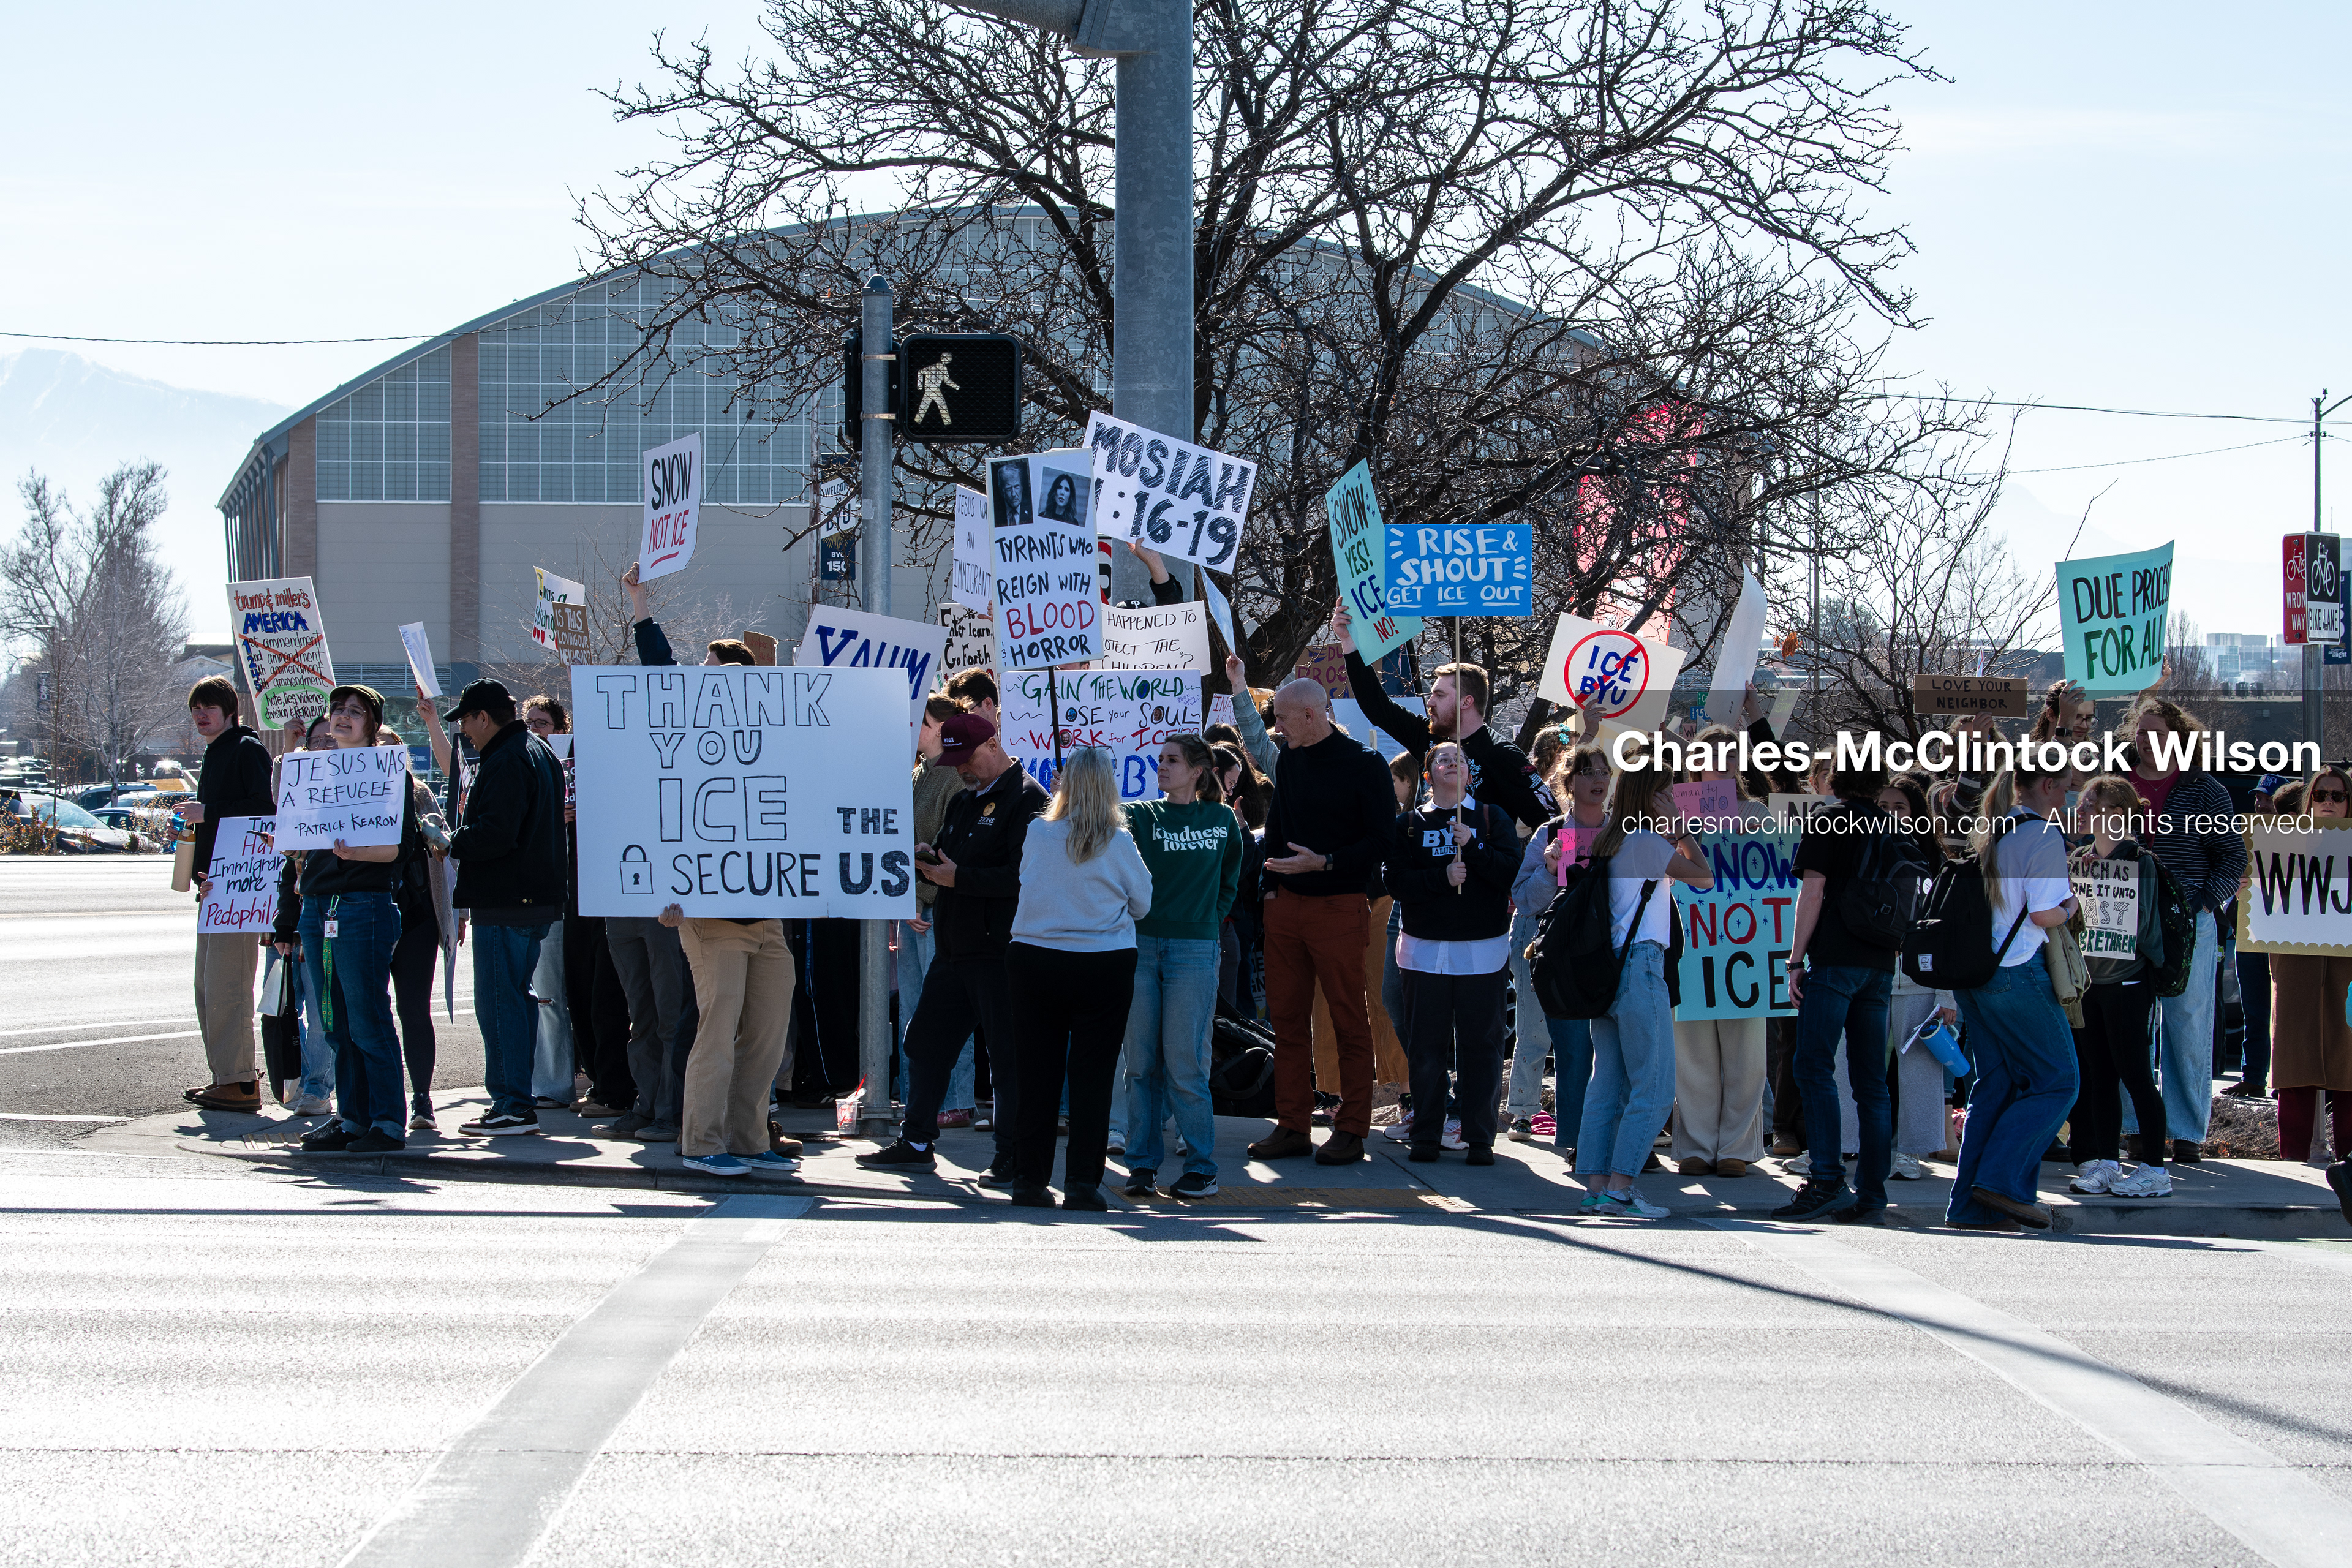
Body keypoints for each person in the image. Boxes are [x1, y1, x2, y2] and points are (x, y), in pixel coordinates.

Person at [859, 713, 1048, 1178]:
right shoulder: (966, 800)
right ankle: (916, 1138)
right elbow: (950, 856)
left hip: (1000, 951)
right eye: (955, 761)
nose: (961, 769)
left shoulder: (1028, 800)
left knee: (1007, 1058)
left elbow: (1024, 878)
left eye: (967, 759)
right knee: (924, 1043)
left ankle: (1013, 1153)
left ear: (993, 744)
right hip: (956, 947)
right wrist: (931, 859)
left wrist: (957, 876)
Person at [1248, 678, 1399, 1166]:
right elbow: (1278, 825)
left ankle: (1352, 1127)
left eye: (1283, 719)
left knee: (1347, 1018)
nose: (1278, 728)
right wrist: (1271, 887)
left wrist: (1327, 862)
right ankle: (1292, 1123)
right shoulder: (1291, 758)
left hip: (1340, 904)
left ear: (1311, 715)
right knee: (1287, 1021)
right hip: (1286, 904)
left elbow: (1383, 842)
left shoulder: (1365, 763)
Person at [998, 748, 1152, 1208]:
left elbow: (1029, 883)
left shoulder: (1038, 833)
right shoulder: (1119, 841)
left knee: (1036, 1073)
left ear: (1063, 784)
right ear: (1108, 786)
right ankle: (1083, 1183)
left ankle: (1029, 1179)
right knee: (1093, 1077)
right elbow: (1143, 903)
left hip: (1035, 958)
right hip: (1102, 962)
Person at [1943, 754, 2081, 1231]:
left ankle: (1970, 1206)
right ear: (2044, 785)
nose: (2067, 797)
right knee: (2058, 1080)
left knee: (1995, 1086)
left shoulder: (1993, 831)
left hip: (1977, 976)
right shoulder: (2042, 835)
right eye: (2063, 788)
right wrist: (2073, 904)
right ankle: (2002, 1183)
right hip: (2017, 971)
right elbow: (2044, 915)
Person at [1575, 749, 1713, 1218]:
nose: (1676, 797)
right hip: (1642, 967)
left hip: (1608, 971)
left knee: (1606, 1085)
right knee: (1653, 1088)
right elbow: (1705, 878)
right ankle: (1620, 1187)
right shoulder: (1649, 842)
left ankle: (1597, 1186)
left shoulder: (1609, 840)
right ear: (1654, 796)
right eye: (1669, 790)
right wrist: (1682, 830)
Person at [290, 685, 423, 1156]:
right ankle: (352, 1118)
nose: (343, 718)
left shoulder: (389, 774)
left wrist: (356, 852)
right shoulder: (314, 772)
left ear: (372, 724)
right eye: (338, 711)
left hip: (364, 905)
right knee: (335, 1023)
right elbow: (300, 834)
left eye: (355, 712)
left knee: (368, 1020)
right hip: (318, 906)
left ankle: (387, 1122)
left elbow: (398, 850)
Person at [1774, 751, 1902, 1222]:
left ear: (1836, 781)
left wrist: (1794, 961)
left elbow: (1812, 893)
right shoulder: (1894, 826)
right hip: (1881, 963)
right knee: (1872, 1083)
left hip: (1835, 959)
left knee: (1812, 1066)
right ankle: (1872, 1192)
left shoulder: (1829, 821)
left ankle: (1826, 1178)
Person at [441, 679, 569, 1137]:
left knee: (500, 1003)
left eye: (467, 722)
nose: (465, 732)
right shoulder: (537, 750)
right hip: (537, 898)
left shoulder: (506, 758)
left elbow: (495, 834)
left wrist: (449, 841)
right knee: (519, 998)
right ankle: (517, 1096)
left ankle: (512, 1102)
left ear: (484, 717)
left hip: (507, 898)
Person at [1121, 736, 1245, 1200]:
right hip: (1141, 942)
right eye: (1160, 760)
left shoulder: (1221, 819)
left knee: (1185, 1062)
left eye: (1172, 760)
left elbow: (1232, 878)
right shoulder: (1139, 815)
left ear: (1197, 770)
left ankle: (1201, 1166)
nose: (1162, 767)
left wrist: (1210, 921)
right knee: (1140, 1064)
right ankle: (1141, 1165)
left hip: (1195, 948)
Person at [2124, 695, 2245, 1162]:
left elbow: (2232, 856)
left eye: (2158, 734)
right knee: (2131, 1025)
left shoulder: (2204, 789)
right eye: (2142, 733)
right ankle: (2135, 1128)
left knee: (2188, 1025)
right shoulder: (2118, 785)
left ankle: (2187, 1132)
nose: (2150, 742)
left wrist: (2202, 901)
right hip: (2125, 920)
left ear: (2179, 738)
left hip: (2188, 922)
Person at [1388, 741, 1520, 1164]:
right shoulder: (1410, 824)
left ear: (1469, 774)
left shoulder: (1490, 817)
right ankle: (1426, 1133)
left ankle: (1480, 1138)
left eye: (1460, 759)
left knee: (1481, 1047)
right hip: (1425, 951)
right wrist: (1440, 877)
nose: (1452, 763)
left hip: (1482, 951)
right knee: (1427, 1046)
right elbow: (1396, 881)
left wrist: (1476, 848)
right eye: (1443, 759)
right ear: (1428, 776)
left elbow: (1509, 874)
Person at [1330, 600, 1551, 828]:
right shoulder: (1426, 734)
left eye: (1440, 695)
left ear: (1467, 702)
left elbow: (1549, 820)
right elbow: (1377, 707)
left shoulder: (1503, 755)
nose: (1430, 702)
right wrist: (1349, 642)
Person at [1668, 728, 1773, 1177]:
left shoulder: (1757, 812)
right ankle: (1694, 1144)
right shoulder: (1674, 808)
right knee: (1691, 1052)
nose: (1722, 758)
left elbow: (1774, 874)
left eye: (1731, 752)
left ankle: (1737, 1147)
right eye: (1711, 752)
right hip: (1690, 942)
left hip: (1744, 945)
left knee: (1746, 1052)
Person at [2065, 774, 2171, 1198]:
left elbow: (2145, 928)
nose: (2088, 811)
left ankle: (2154, 1169)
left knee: (2136, 1075)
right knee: (2099, 1076)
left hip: (2128, 982)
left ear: (2122, 814)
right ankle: (2107, 1160)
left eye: (2098, 805)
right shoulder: (2079, 860)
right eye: (2088, 803)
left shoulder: (2139, 861)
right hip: (2090, 984)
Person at [650, 892, 801, 1180]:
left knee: (768, 1039)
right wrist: (659, 902)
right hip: (712, 920)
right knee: (716, 1036)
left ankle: (747, 1140)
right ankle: (701, 1144)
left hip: (768, 921)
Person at [1510, 740, 1610, 1152]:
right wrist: (1550, 869)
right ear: (1570, 782)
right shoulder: (1549, 834)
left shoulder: (1620, 833)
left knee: (1596, 1045)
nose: (1598, 779)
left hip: (1599, 952)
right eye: (1588, 772)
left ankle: (1595, 1134)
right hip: (1546, 951)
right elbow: (1525, 899)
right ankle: (1528, 1113)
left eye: (1604, 771)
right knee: (1540, 1032)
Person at [181, 675, 276, 1113]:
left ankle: (240, 1081)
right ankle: (226, 1076)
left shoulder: (245, 749)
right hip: (216, 885)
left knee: (229, 986)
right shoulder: (218, 751)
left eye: (209, 707)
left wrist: (209, 812)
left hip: (240, 890)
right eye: (196, 709)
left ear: (230, 710)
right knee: (207, 986)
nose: (201, 715)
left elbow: (265, 812)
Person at [903, 695, 982, 1126]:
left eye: (920, 721)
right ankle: (920, 1102)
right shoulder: (919, 773)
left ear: (937, 728)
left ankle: (956, 1100)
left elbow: (949, 844)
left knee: (945, 1010)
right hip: (914, 904)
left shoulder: (953, 775)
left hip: (937, 908)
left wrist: (922, 894)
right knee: (915, 1013)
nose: (911, 727)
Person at [1871, 773, 1953, 1180]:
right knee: (1855, 1060)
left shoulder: (1936, 863)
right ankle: (1847, 1146)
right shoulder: (1862, 850)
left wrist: (1948, 995)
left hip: (1920, 979)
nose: (1890, 814)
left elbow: (1949, 929)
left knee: (1919, 1066)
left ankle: (1912, 1152)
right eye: (1883, 806)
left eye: (1900, 807)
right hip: (1870, 971)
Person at [2271, 764, 2352, 1166]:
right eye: (2321, 795)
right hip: (2296, 968)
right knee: (2295, 1066)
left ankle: (2351, 1167)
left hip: (2348, 972)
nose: (2329, 803)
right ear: (2309, 801)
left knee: (2350, 1065)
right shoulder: (2282, 844)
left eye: (2338, 796)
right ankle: (2294, 1161)